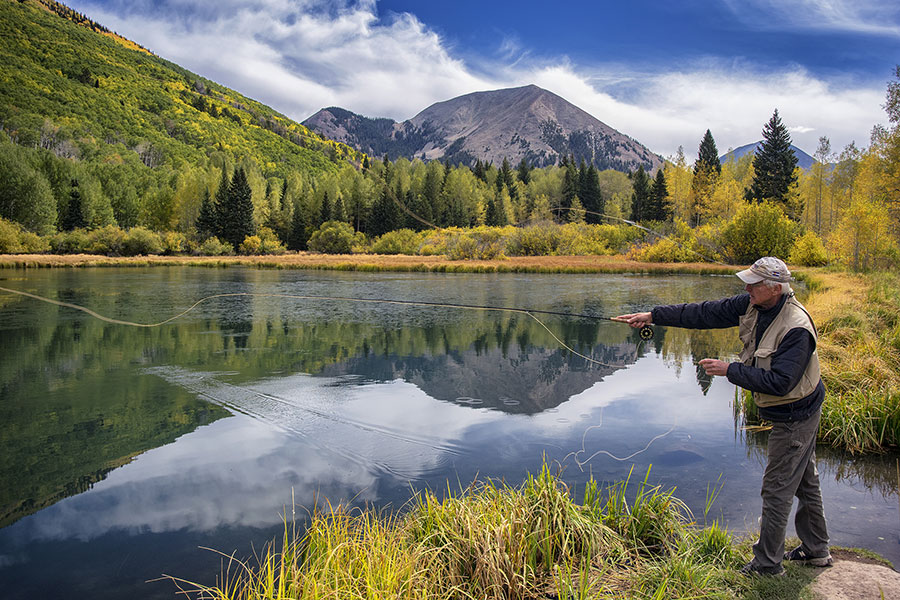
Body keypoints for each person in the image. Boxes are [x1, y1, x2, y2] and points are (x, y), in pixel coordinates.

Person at [616, 256, 831, 576]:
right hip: (794, 408)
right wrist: (653, 315)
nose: (747, 288)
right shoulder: (754, 304)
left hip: (797, 414)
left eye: (754, 284)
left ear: (774, 288)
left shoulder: (796, 329)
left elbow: (781, 383)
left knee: (777, 487)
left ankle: (768, 564)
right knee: (802, 479)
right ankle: (816, 550)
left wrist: (730, 370)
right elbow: (704, 312)